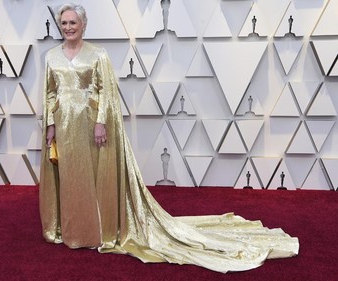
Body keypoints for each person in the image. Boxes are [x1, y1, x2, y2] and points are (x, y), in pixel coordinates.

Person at [39, 3, 299, 273]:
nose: (68, 27)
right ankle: (74, 231)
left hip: (91, 125)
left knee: (94, 177)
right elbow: (49, 92)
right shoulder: (51, 57)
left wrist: (101, 122)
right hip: (65, 127)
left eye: (73, 23)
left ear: (83, 25)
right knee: (72, 179)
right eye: (64, 23)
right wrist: (50, 125)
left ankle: (97, 231)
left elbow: (106, 91)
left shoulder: (98, 54)